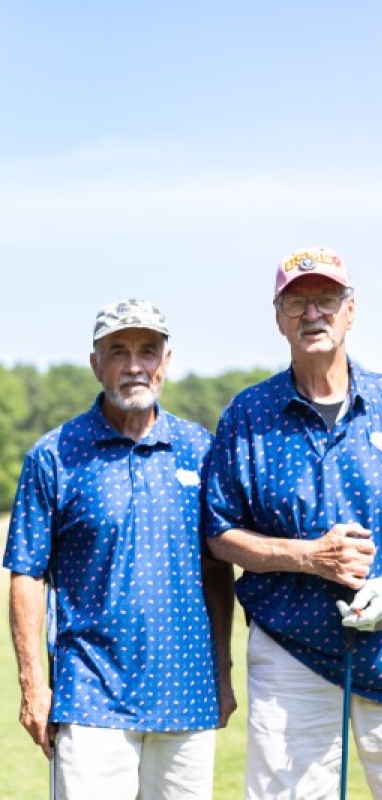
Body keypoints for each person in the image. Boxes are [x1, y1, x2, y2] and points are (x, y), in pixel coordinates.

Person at [4, 299, 236, 800]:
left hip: (188, 694)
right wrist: (32, 686)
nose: (134, 365)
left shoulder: (201, 449)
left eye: (147, 351)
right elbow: (26, 574)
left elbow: (218, 570)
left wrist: (224, 671)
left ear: (166, 362)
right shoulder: (54, 455)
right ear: (96, 363)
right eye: (118, 351)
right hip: (90, 698)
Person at [204, 246, 382, 799]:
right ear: (278, 317)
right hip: (291, 652)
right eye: (296, 302)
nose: (312, 314)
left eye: (326, 299)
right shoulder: (248, 414)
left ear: (350, 311)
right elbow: (219, 532)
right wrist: (309, 557)